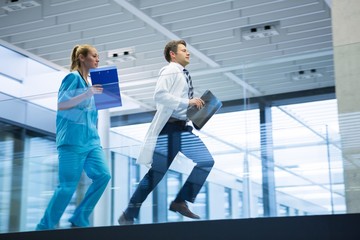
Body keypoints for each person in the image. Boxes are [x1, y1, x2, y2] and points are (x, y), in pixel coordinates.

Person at [118, 40, 215, 225]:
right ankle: (129, 214)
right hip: (169, 130)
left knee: (205, 160)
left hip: (181, 128)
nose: (188, 53)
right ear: (173, 54)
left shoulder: (183, 73)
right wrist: (188, 102)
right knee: (156, 174)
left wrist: (195, 111)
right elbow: (159, 95)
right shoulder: (170, 70)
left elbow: (175, 101)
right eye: (184, 50)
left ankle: (179, 201)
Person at [36, 44, 111, 230]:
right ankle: (45, 226)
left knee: (104, 175)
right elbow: (62, 104)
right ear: (82, 58)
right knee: (67, 186)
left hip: (92, 141)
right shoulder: (73, 78)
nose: (97, 59)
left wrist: (101, 95)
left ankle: (80, 216)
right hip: (72, 141)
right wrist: (88, 93)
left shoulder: (92, 85)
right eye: (94, 56)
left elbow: (90, 113)